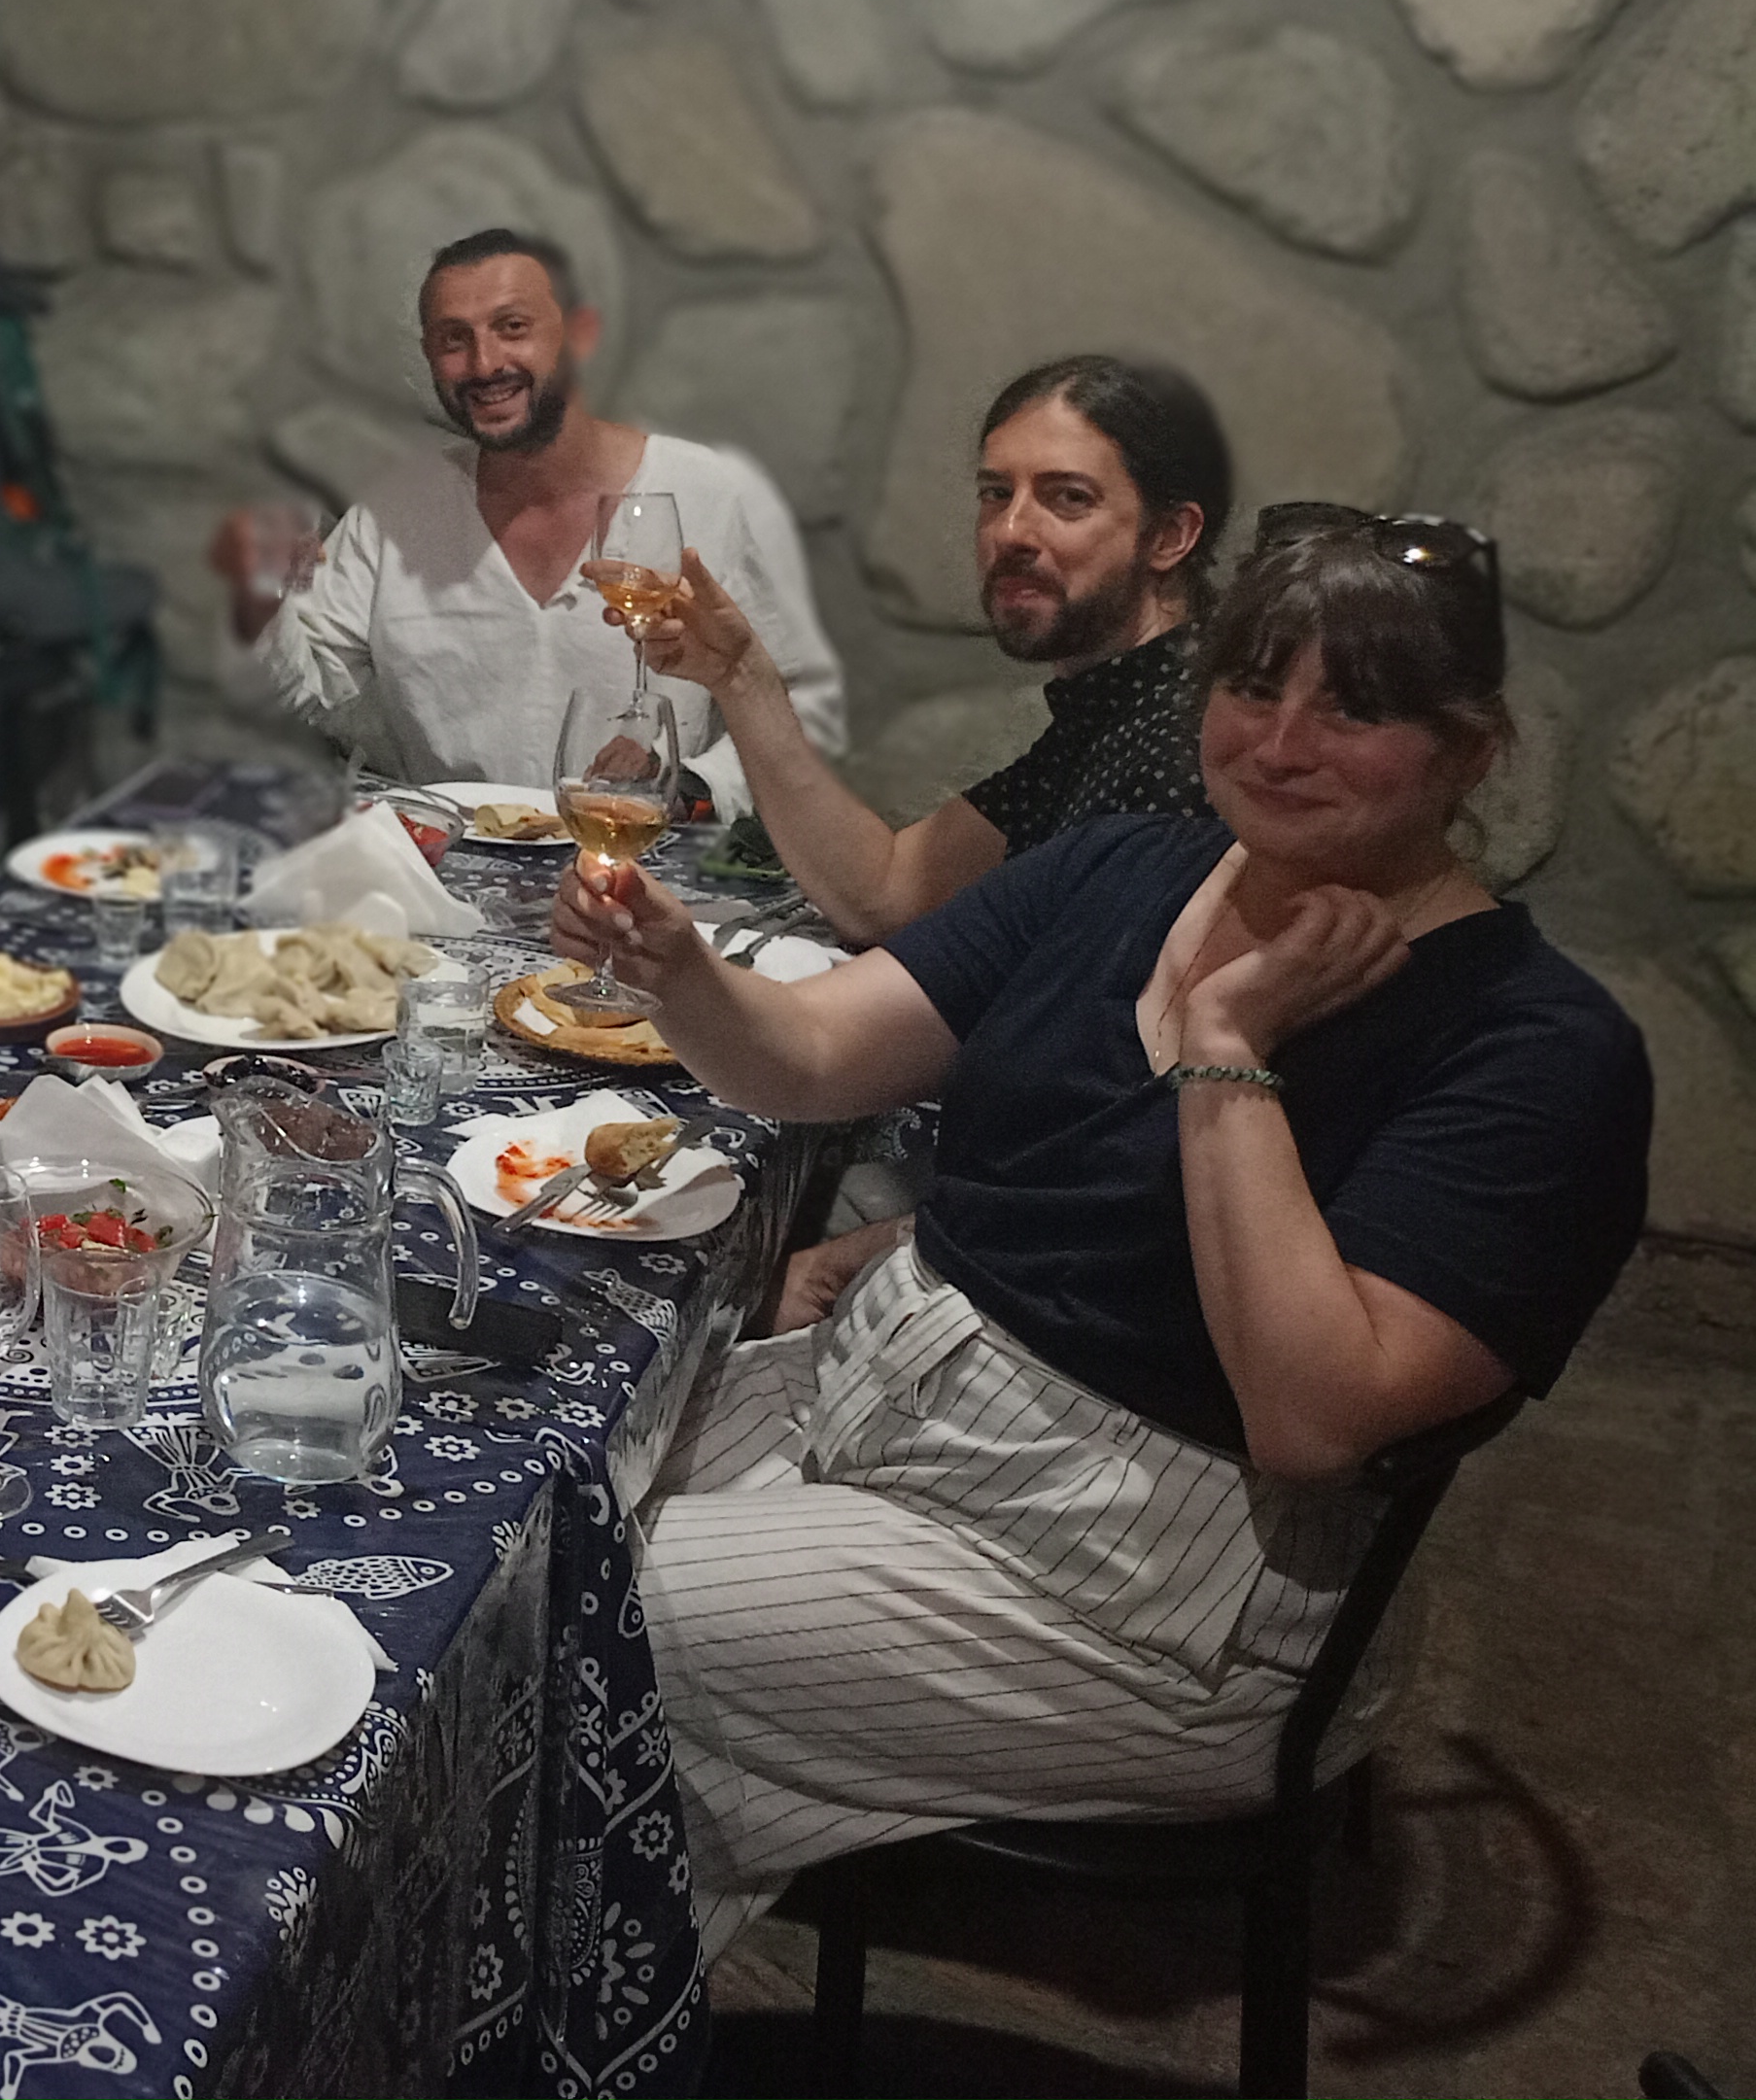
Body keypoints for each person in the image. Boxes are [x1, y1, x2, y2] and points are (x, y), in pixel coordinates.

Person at [548, 506, 1651, 1955]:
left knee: (566, 1616)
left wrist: (1229, 1048)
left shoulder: (1537, 1047)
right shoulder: (1124, 866)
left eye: (1356, 709)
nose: (1281, 741)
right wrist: (678, 970)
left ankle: (548, 2001)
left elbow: (1313, 1419)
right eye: (1252, 686)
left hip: (1156, 1588)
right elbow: (809, 1058)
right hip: (890, 1403)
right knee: (517, 1519)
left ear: (1470, 750)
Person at [208, 228, 843, 811]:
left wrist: (693, 787)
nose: (484, 364)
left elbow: (799, 704)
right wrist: (261, 595)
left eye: (512, 327)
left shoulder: (706, 493)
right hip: (445, 870)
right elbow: (310, 691)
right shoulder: (395, 509)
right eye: (454, 339)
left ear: (581, 335)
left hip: (644, 869)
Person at [625, 355, 1229, 941]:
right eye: (996, 493)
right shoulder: (1106, 706)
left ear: (1169, 536)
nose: (1010, 531)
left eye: (1068, 497)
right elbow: (887, 896)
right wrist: (739, 675)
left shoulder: (1189, 742)